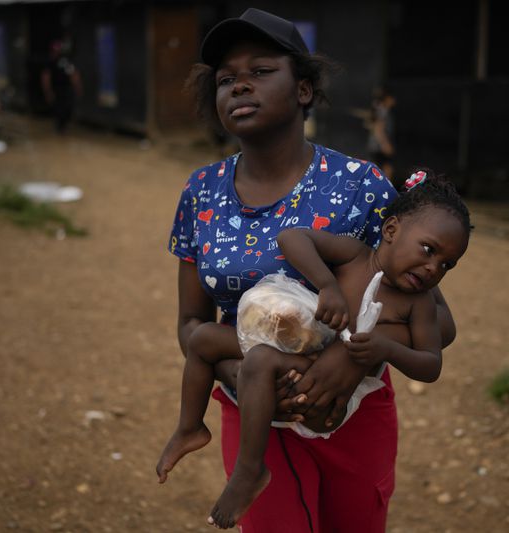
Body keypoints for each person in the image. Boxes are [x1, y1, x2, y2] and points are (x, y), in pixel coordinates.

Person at [159, 8, 457, 532]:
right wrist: (237, 375)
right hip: (252, 414)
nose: (240, 86)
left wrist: (349, 359)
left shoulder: (359, 185)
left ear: (302, 89)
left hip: (348, 412)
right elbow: (191, 323)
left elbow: (434, 315)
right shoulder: (200, 191)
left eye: (260, 71)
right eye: (226, 80)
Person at [158, 168, 470, 528]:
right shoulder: (355, 257)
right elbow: (292, 238)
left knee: (260, 361)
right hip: (301, 347)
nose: (433, 268)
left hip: (331, 394)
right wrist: (327, 286)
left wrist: (385, 346)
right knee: (205, 340)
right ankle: (190, 427)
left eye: (446, 264)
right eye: (429, 250)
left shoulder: (419, 304)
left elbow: (430, 364)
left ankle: (248, 472)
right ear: (391, 230)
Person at [41, 39, 82, 133]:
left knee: (68, 107)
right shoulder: (50, 62)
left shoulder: (66, 61)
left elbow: (74, 74)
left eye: (58, 49)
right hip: (56, 89)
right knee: (59, 109)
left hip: (67, 88)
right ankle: (60, 127)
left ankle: (64, 126)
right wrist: (48, 91)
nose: (57, 52)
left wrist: (77, 86)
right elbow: (45, 77)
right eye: (55, 50)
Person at [367, 87, 396, 186]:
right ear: (387, 98)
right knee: (387, 169)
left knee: (381, 169)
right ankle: (385, 190)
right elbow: (378, 128)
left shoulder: (379, 109)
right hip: (379, 147)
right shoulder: (382, 110)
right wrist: (385, 144)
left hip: (376, 146)